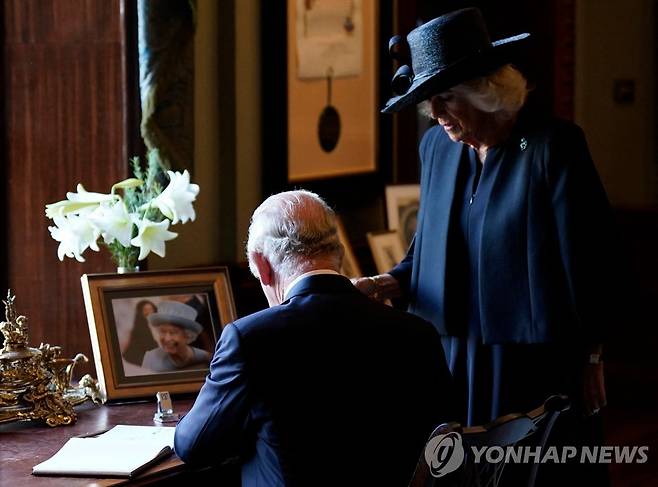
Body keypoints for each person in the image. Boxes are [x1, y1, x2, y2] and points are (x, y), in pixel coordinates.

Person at [354, 7, 618, 484]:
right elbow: (427, 251)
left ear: (487, 92)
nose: (435, 114)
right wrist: (383, 283)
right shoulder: (437, 147)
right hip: (453, 355)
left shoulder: (551, 147)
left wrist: (593, 356)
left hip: (529, 362)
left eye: (447, 98)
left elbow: (591, 262)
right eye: (430, 100)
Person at [174, 190, 454, 486]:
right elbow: (443, 442)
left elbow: (193, 445)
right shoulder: (416, 332)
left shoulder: (250, 338)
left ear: (263, 266)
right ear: (341, 255)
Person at [141, 301, 211, 372]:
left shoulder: (205, 358)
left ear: (188, 336)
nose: (167, 338)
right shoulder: (150, 359)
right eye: (163, 332)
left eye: (173, 332)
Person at [122, 300, 158, 366]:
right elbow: (148, 344)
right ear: (140, 311)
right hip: (138, 358)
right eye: (145, 309)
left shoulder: (157, 324)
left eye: (150, 309)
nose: (148, 312)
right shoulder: (139, 324)